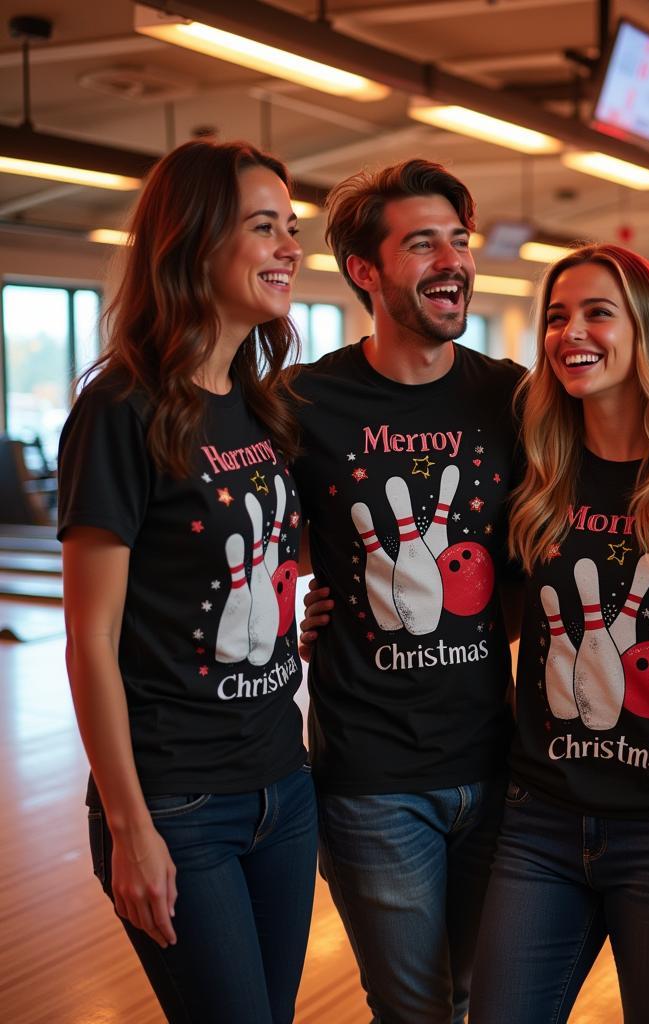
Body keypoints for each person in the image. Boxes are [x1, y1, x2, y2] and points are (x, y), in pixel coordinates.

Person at [58, 140, 317, 1024]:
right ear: (194, 240)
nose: (290, 247)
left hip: (284, 783)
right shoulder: (121, 406)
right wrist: (131, 827)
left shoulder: (263, 402)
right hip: (178, 802)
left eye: (292, 228)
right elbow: (90, 638)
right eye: (263, 227)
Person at [465, 243, 649, 1024]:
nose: (569, 332)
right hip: (539, 822)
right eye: (556, 316)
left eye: (596, 312)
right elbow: (494, 609)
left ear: (644, 329)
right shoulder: (539, 467)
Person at [287, 159, 523, 1023]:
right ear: (364, 270)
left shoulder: (510, 397)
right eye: (421, 243)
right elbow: (253, 540)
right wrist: (292, 610)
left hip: (500, 766)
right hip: (371, 777)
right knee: (416, 1008)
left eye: (459, 240)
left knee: (475, 995)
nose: (452, 260)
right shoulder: (305, 401)